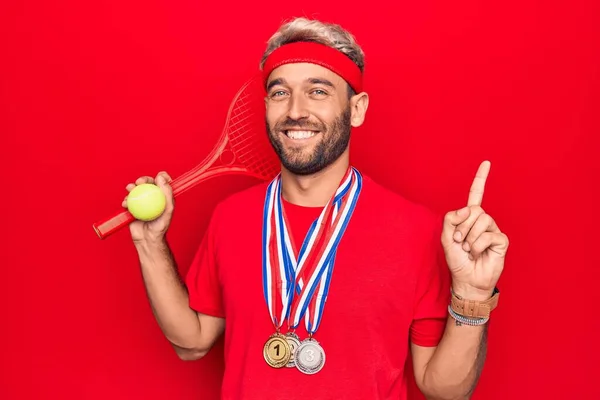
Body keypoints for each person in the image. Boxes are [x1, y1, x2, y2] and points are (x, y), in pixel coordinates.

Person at [123, 17, 509, 400]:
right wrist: (150, 243)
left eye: (318, 91)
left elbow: (445, 391)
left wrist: (472, 294)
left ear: (356, 109)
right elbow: (190, 342)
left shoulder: (416, 230)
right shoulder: (230, 217)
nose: (295, 111)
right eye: (279, 93)